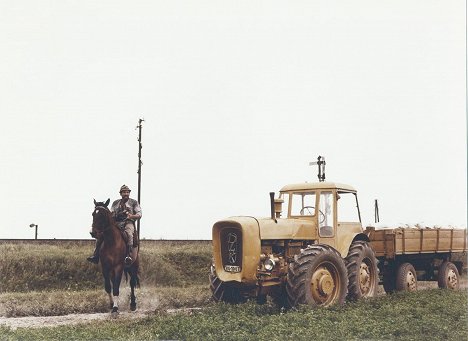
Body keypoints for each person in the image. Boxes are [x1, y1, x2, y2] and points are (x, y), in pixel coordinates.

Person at [87, 184, 142, 265]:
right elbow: (111, 214)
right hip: (117, 223)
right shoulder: (115, 203)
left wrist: (131, 216)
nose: (126, 194)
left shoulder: (134, 202)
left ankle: (128, 256)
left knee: (129, 234)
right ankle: (96, 255)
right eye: (124, 192)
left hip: (128, 222)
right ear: (121, 193)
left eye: (127, 192)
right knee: (103, 234)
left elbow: (139, 214)